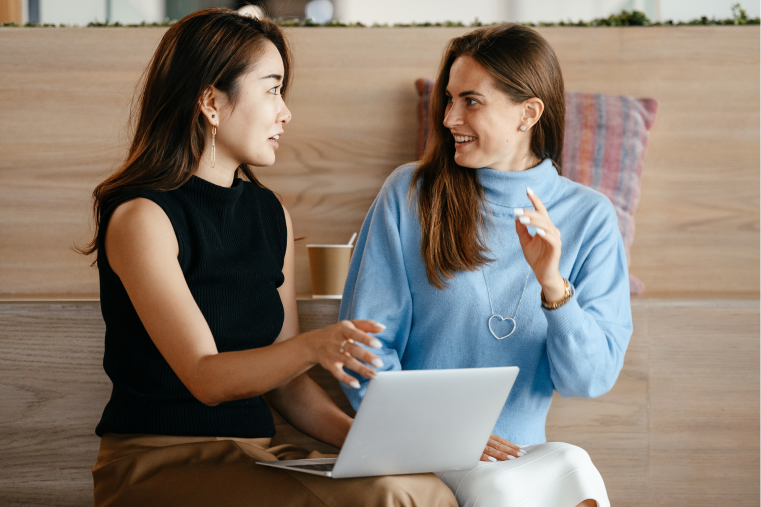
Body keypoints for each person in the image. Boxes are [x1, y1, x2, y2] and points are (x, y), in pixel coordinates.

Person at [79, 9, 457, 507]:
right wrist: (315, 346)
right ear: (212, 102)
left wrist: (386, 447)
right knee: (390, 498)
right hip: (157, 461)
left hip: (253, 456)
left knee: (423, 487)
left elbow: (289, 388)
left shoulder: (269, 213)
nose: (286, 112)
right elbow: (205, 377)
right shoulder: (143, 218)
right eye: (272, 89)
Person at [340, 23, 633, 507]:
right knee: (502, 488)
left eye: (471, 101)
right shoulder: (410, 193)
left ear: (528, 113)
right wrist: (442, 436)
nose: (450, 116)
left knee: (576, 465)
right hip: (423, 449)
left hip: (522, 452)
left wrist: (552, 286)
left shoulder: (590, 216)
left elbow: (590, 378)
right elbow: (362, 352)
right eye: (448, 99)